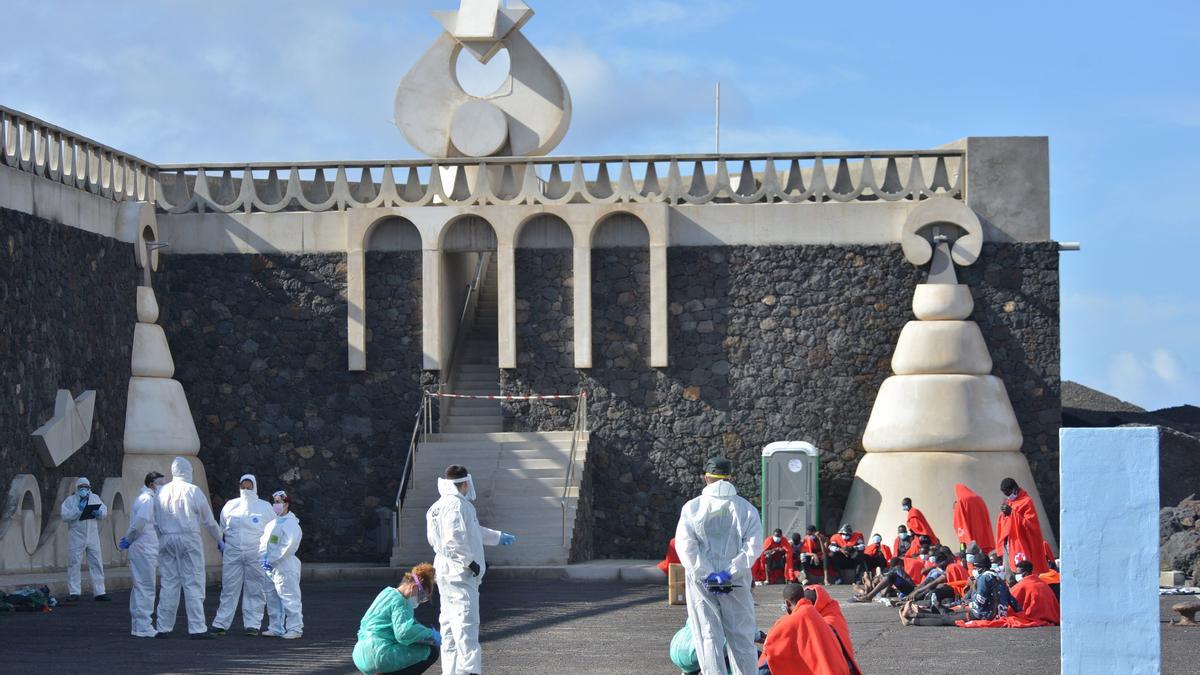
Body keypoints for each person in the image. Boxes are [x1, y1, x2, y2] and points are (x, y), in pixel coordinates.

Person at [426, 464, 517, 675]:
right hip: (461, 574)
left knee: (448, 626)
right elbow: (454, 539)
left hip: (445, 573)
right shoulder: (460, 506)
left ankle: (451, 671)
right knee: (466, 624)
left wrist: (497, 536)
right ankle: (468, 671)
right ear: (465, 483)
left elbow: (471, 531)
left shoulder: (436, 507)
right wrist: (470, 563)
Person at [674, 456, 761, 675]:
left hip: (702, 583)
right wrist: (729, 573)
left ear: (706, 478)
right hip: (736, 582)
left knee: (707, 635)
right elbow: (752, 547)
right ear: (730, 478)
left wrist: (709, 574)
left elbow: (686, 547)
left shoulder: (692, 508)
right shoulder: (747, 509)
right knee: (742, 637)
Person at [155, 457, 225, 639]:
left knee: (169, 582)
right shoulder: (193, 491)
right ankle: (197, 628)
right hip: (188, 538)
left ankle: (163, 627)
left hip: (166, 539)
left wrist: (161, 537)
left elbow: (155, 519)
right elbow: (208, 521)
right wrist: (219, 539)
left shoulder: (161, 491)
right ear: (188, 471)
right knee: (193, 582)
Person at [212, 474, 276, 636]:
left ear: (254, 487)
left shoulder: (265, 507)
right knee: (229, 589)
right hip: (232, 554)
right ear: (239, 487)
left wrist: (270, 551)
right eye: (243, 487)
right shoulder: (230, 506)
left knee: (255, 589)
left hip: (256, 554)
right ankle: (221, 624)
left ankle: (253, 624)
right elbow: (222, 528)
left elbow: (273, 530)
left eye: (249, 486)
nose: (246, 490)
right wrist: (221, 544)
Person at [353, 563, 441, 675]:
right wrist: (431, 634)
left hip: (361, 655)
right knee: (431, 652)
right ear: (414, 587)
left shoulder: (387, 592)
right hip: (379, 655)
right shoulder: (402, 602)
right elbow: (404, 633)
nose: (419, 601)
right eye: (422, 597)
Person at [901, 551, 1020, 626]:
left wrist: (966, 605)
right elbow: (1012, 600)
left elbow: (980, 601)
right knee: (948, 614)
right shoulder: (998, 577)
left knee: (946, 619)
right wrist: (1020, 613)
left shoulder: (983, 578)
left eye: (975, 568)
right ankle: (913, 614)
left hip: (984, 615)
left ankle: (912, 620)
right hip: (996, 614)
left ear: (979, 568)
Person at [760, 584, 851, 675]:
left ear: (787, 603)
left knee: (769, 660)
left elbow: (770, 645)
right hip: (840, 669)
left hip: (825, 669)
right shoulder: (818, 615)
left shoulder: (797, 618)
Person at [119, 471, 165, 636]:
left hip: (143, 548)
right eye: (160, 483)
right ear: (152, 484)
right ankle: (144, 626)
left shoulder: (146, 499)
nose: (163, 486)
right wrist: (129, 538)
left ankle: (138, 625)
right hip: (144, 548)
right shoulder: (147, 500)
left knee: (140, 587)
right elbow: (140, 523)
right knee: (146, 586)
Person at [260, 490, 303, 639]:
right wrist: (263, 560)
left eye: (279, 502)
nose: (276, 505)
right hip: (270, 567)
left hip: (285, 565)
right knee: (272, 597)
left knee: (289, 597)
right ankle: (275, 627)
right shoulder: (272, 523)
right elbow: (263, 543)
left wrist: (272, 560)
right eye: (275, 502)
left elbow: (288, 546)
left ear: (287, 504)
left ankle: (295, 628)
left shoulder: (292, 524)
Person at [60, 477, 110, 602]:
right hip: (76, 536)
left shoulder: (95, 498)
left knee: (96, 563)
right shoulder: (70, 500)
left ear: (89, 488)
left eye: (86, 487)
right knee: (74, 564)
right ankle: (74, 592)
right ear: (77, 488)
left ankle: (100, 592)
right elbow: (65, 516)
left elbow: (104, 511)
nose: (84, 489)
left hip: (92, 536)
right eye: (81, 487)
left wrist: (99, 513)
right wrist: (78, 510)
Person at [995, 477, 1050, 574]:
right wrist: (1004, 515)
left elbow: (1031, 525)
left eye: (1008, 493)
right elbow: (1005, 524)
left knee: (1022, 573)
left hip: (1021, 543)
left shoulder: (1027, 501)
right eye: (1005, 494)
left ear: (1015, 489)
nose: (1008, 496)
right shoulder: (1008, 502)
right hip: (1008, 544)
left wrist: (1012, 513)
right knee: (1010, 576)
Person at [804, 585, 861, 674]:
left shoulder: (827, 622)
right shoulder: (831, 610)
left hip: (838, 667)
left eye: (809, 603)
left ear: (818, 602)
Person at [1008, 560, 1060, 626]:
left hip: (1033, 616)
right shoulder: (1042, 583)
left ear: (1026, 573)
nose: (1016, 575)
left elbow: (1009, 602)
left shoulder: (1022, 585)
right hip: (1052, 616)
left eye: (1018, 573)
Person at [952, 484, 994, 554]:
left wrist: (963, 549)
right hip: (982, 535)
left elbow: (959, 525)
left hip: (969, 536)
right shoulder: (979, 499)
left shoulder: (961, 502)